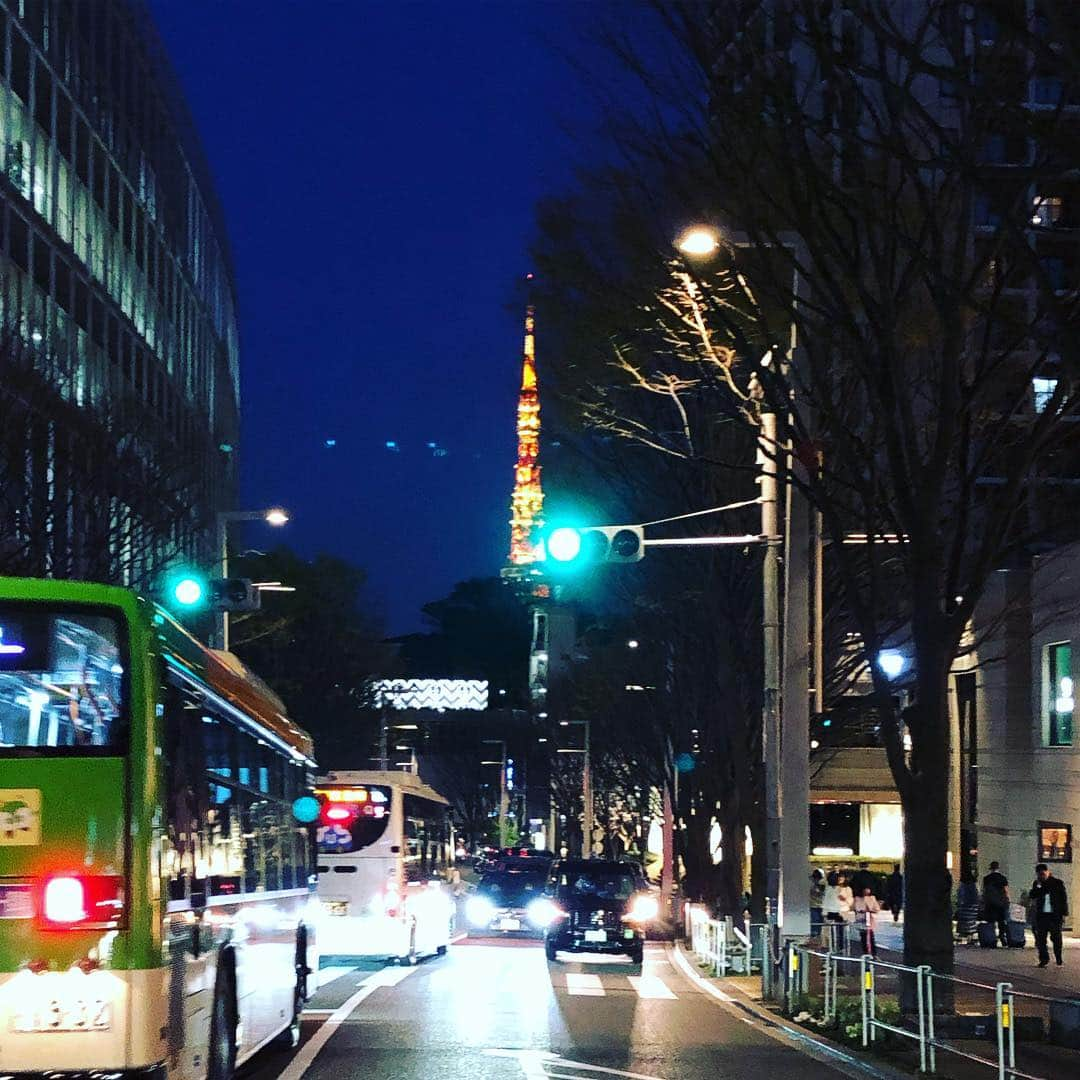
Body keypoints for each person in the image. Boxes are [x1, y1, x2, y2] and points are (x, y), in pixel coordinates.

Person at [1029, 864, 1069, 968]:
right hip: (1042, 915)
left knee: (1056, 938)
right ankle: (1044, 959)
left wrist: (1064, 913)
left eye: (1043, 874)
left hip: (1055, 915)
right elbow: (1033, 895)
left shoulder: (1057, 883)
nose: (1041, 876)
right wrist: (1038, 885)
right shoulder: (1037, 884)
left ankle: (1058, 958)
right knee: (1041, 939)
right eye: (1039, 875)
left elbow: (1063, 899)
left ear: (1047, 872)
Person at [982, 861, 1010, 946]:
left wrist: (983, 901)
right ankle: (1002, 937)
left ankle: (991, 938)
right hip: (1001, 903)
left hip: (990, 903)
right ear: (998, 868)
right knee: (1001, 921)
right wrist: (1008, 900)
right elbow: (1006, 890)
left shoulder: (986, 878)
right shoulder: (1003, 878)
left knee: (991, 921)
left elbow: (984, 891)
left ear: (991, 868)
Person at [854, 887, 881, 956]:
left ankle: (873, 953)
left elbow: (876, 909)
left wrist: (870, 910)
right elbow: (856, 908)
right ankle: (865, 952)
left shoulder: (872, 898)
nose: (867, 891)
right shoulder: (857, 899)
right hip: (861, 919)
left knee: (871, 936)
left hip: (869, 919)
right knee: (863, 936)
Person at [809, 868, 826, 936]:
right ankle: (814, 936)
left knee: (819, 923)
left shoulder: (822, 885)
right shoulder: (811, 886)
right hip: (813, 906)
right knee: (815, 922)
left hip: (821, 906)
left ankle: (818, 936)